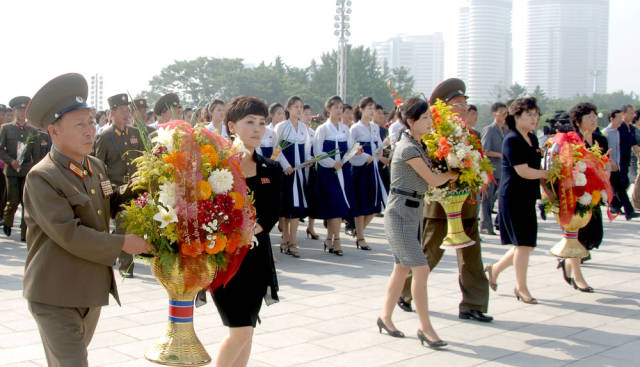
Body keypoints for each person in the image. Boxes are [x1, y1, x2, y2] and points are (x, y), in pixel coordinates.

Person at [23, 72, 151, 367]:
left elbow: (112, 202)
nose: (89, 130)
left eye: (91, 122)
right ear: (54, 132)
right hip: (55, 294)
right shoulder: (43, 177)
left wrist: (153, 191)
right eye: (79, 125)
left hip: (89, 290)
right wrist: (124, 243)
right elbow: (70, 234)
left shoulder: (93, 166)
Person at [399, 78, 493, 323]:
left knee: (472, 253)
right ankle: (405, 291)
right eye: (457, 103)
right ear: (443, 106)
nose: (463, 108)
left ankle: (473, 304)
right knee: (430, 251)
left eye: (464, 103)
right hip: (442, 200)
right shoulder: (433, 134)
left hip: (467, 200)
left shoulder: (471, 134)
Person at [198, 95, 280, 367]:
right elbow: (205, 207)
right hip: (227, 258)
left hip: (257, 258)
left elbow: (274, 209)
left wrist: (254, 228)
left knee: (248, 331)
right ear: (232, 126)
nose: (258, 128)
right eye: (250, 122)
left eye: (262, 123)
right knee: (240, 329)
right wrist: (234, 232)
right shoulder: (217, 165)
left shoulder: (271, 168)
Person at [378, 97, 456, 349]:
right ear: (411, 121)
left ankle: (385, 317)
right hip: (400, 213)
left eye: (430, 117)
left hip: (413, 211)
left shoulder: (418, 144)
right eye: (424, 118)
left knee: (402, 268)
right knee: (420, 269)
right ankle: (426, 328)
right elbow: (433, 179)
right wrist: (455, 173)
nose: (430, 122)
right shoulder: (408, 148)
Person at [485, 97, 548, 304]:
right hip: (513, 197)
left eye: (536, 114)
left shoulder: (532, 139)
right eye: (529, 114)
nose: (534, 118)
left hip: (528, 196)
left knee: (527, 245)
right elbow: (522, 171)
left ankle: (494, 269)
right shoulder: (511, 140)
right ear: (517, 116)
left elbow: (535, 169)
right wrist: (545, 174)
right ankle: (521, 287)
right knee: (522, 244)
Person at [93, 93, 146, 278]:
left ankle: (113, 246)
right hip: (116, 189)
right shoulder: (105, 136)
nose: (127, 114)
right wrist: (107, 191)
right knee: (124, 225)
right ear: (112, 112)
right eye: (122, 110)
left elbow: (141, 157)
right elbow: (98, 165)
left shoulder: (134, 133)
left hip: (134, 186)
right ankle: (126, 266)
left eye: (128, 110)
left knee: (130, 225)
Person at [556, 102, 607, 293]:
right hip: (575, 192)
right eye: (589, 117)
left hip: (593, 193)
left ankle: (568, 263)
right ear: (578, 121)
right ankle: (578, 277)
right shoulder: (571, 140)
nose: (594, 120)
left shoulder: (601, 140)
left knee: (593, 234)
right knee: (577, 234)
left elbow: (604, 163)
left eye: (595, 116)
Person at [312, 96, 357, 256]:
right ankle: (336, 240)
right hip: (328, 173)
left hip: (342, 172)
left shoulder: (345, 129)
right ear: (328, 109)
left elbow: (350, 148)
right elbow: (318, 152)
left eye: (341, 107)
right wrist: (332, 163)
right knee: (334, 206)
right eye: (336, 107)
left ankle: (330, 239)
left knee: (337, 208)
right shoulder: (322, 129)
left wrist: (355, 152)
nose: (339, 110)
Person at [273, 96, 312, 258]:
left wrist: (309, 160)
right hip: (286, 173)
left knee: (296, 208)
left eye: (301, 107)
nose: (299, 110)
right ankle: (285, 239)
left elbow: (307, 148)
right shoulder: (281, 127)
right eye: (295, 107)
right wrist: (285, 165)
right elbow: (277, 149)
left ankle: (293, 242)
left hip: (299, 173)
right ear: (288, 108)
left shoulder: (304, 128)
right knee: (286, 207)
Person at [349, 97, 389, 250]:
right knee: (361, 203)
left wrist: (382, 154)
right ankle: (360, 237)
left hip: (373, 169)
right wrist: (365, 156)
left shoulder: (374, 127)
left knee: (374, 205)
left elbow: (378, 147)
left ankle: (358, 231)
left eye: (373, 108)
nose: (371, 111)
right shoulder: (355, 128)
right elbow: (351, 149)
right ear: (361, 109)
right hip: (360, 169)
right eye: (369, 108)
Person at [0, 96, 39, 241]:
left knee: (26, 202)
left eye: (24, 110)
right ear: (14, 111)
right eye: (19, 110)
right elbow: (0, 149)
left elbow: (36, 154)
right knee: (12, 200)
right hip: (11, 170)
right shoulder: (6, 129)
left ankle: (25, 233)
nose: (21, 113)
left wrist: (34, 169)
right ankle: (8, 222)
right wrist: (10, 161)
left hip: (27, 169)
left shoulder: (32, 130)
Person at [480, 102, 508, 235]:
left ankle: (496, 223)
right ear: (494, 113)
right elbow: (484, 150)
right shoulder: (490, 129)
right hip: (491, 170)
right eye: (501, 112)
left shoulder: (506, 130)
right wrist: (500, 155)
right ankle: (485, 226)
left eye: (505, 113)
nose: (504, 115)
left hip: (503, 171)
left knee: (499, 198)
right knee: (488, 199)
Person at [603, 110, 635, 220]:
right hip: (608, 167)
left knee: (620, 188)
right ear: (612, 118)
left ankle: (624, 209)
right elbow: (604, 150)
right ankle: (621, 208)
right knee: (615, 188)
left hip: (616, 166)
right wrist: (609, 162)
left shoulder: (617, 132)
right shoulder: (606, 132)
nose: (620, 120)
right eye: (618, 118)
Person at [302, 104, 320, 240]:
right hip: (299, 169)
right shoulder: (295, 131)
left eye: (310, 114)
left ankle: (311, 226)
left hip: (312, 169)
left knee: (312, 197)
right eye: (305, 114)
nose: (308, 117)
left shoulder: (314, 133)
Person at [619, 104, 640, 188]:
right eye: (630, 113)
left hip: (627, 162)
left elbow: (635, 146)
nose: (633, 115)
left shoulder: (632, 128)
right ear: (623, 114)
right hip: (619, 162)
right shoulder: (619, 127)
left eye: (633, 113)